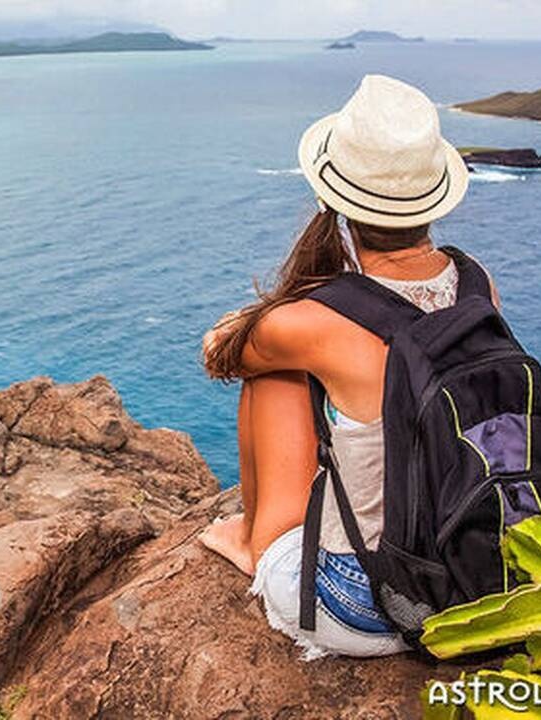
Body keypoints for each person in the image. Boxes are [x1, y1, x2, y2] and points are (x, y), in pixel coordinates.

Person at [198, 75, 499, 659]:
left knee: (274, 372)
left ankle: (252, 540)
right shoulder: (476, 284)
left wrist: (278, 320)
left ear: (337, 200)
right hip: (466, 583)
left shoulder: (314, 324)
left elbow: (220, 353)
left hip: (365, 606)